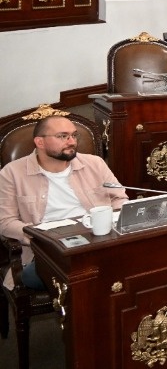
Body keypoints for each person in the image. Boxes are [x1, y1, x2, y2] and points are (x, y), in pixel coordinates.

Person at [0, 115, 128, 290]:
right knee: (84, 273)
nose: (71, 141)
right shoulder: (12, 173)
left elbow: (119, 199)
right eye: (62, 136)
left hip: (99, 242)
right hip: (48, 252)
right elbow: (5, 222)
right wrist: (36, 236)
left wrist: (114, 222)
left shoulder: (95, 164)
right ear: (40, 142)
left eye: (74, 135)